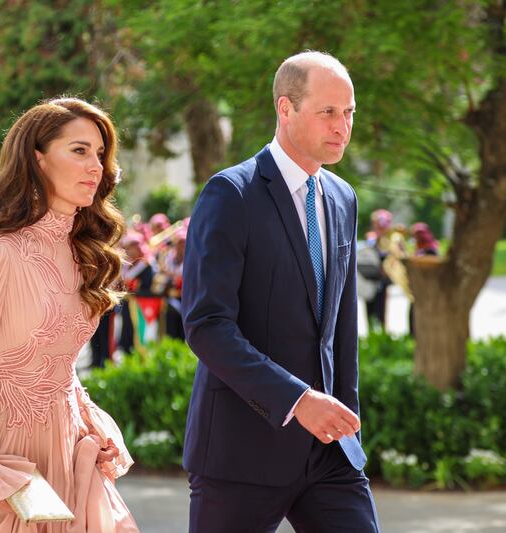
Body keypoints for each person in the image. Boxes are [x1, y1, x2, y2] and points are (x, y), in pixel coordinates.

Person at [0, 98, 139, 532]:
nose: (97, 166)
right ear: (37, 159)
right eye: (79, 150)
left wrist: (91, 420)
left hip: (71, 449)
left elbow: (57, 365)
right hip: (7, 459)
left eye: (99, 154)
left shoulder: (82, 254)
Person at [182, 51, 379, 532]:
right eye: (328, 112)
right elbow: (207, 326)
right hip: (242, 455)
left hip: (330, 457)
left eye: (349, 112)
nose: (342, 126)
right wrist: (297, 399)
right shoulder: (231, 194)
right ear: (285, 109)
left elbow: (341, 327)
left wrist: (346, 420)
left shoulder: (342, 197)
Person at [364, 209, 393, 331]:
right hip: (371, 278)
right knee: (370, 309)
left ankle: (382, 333)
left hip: (383, 279)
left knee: (381, 309)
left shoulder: (390, 241)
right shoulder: (371, 239)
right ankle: (372, 333)